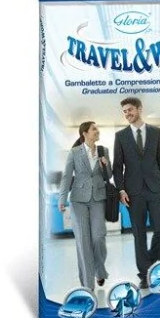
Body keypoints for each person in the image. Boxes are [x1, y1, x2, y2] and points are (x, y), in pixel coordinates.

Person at [112, 98, 160, 290]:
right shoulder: (120, 136)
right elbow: (117, 167)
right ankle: (145, 275)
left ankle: (153, 263)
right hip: (133, 192)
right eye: (124, 111)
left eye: (130, 110)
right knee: (139, 233)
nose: (127, 114)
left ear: (139, 109)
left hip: (155, 188)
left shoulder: (155, 132)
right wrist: (121, 189)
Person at [58, 121, 110, 290]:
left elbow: (108, 176)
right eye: (94, 129)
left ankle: (99, 270)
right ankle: (88, 286)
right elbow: (67, 176)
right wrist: (62, 199)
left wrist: (105, 165)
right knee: (83, 241)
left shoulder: (103, 151)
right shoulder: (74, 152)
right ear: (85, 133)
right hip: (78, 200)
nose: (97, 131)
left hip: (98, 199)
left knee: (98, 237)